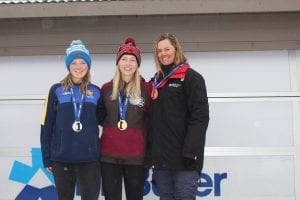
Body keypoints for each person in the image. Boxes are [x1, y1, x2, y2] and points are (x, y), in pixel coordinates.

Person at [40, 40, 106, 200]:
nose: (78, 67)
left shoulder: (96, 91)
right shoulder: (56, 90)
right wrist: (47, 157)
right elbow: (46, 125)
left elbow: (105, 120)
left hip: (90, 160)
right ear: (68, 66)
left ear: (88, 65)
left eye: (83, 62)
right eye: (74, 62)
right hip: (62, 159)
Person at [147, 33, 209, 200]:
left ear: (176, 49)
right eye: (159, 50)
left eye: (167, 49)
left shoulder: (191, 78)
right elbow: (152, 122)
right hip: (162, 161)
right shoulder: (155, 81)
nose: (163, 53)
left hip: (185, 160)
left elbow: (200, 117)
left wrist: (190, 152)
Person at [100, 37, 151, 200]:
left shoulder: (147, 89)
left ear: (137, 64)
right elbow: (100, 117)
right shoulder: (106, 89)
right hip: (109, 157)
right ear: (118, 62)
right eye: (124, 59)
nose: (128, 63)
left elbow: (151, 122)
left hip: (136, 158)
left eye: (132, 60)